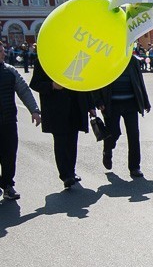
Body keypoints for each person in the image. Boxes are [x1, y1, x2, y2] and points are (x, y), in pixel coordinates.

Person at [29, 56, 92, 189]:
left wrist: (91, 106)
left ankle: (71, 171)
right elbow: (35, 83)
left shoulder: (77, 56)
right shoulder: (45, 59)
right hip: (56, 109)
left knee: (72, 141)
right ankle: (65, 175)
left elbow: (85, 83)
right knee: (61, 142)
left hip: (75, 106)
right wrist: (52, 85)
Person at [95, 51, 151, 178]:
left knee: (134, 135)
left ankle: (135, 167)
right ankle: (107, 150)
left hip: (130, 103)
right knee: (113, 133)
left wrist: (145, 101)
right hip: (111, 104)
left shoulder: (132, 60)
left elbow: (139, 81)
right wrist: (98, 101)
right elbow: (97, 81)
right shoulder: (104, 59)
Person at [0, 42, 42, 200]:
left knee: (9, 154)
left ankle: (8, 186)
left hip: (8, 121)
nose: (3, 53)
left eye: (3, 50)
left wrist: (34, 110)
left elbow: (24, 90)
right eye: (0, 51)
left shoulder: (10, 71)